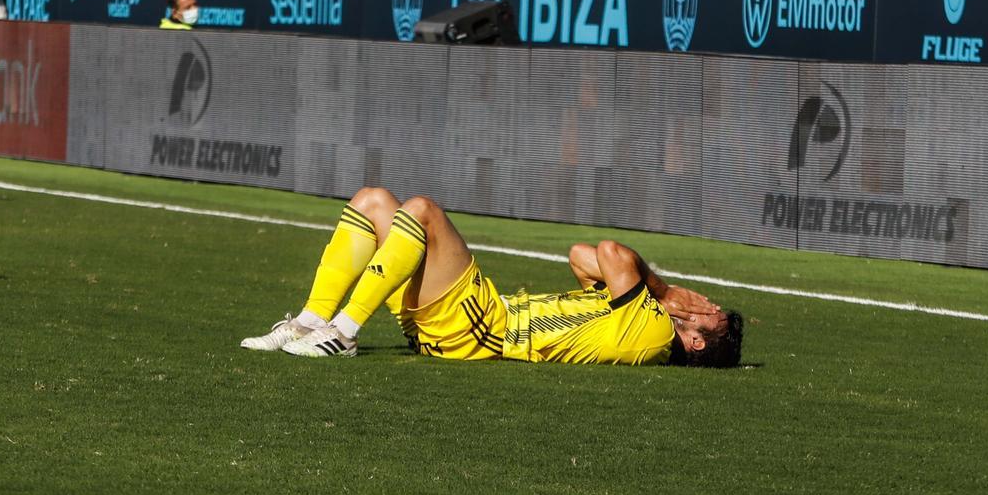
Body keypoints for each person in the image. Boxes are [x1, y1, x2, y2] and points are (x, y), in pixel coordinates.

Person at [240, 187, 744, 367]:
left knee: (423, 212)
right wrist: (656, 291)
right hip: (475, 322)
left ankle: (344, 334)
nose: (707, 305)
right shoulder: (627, 316)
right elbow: (581, 255)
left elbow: (613, 252)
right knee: (372, 201)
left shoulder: (653, 332)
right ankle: (310, 321)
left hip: (489, 328)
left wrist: (664, 290)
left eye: (712, 317)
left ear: (696, 343)